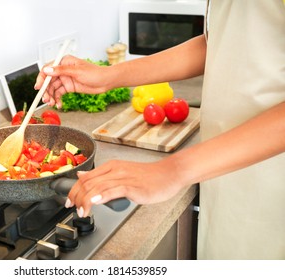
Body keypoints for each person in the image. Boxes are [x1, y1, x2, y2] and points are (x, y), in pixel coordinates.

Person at [34, 0, 285, 259]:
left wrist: (174, 170)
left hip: (272, 187)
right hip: (222, 170)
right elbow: (224, 42)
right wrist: (109, 76)